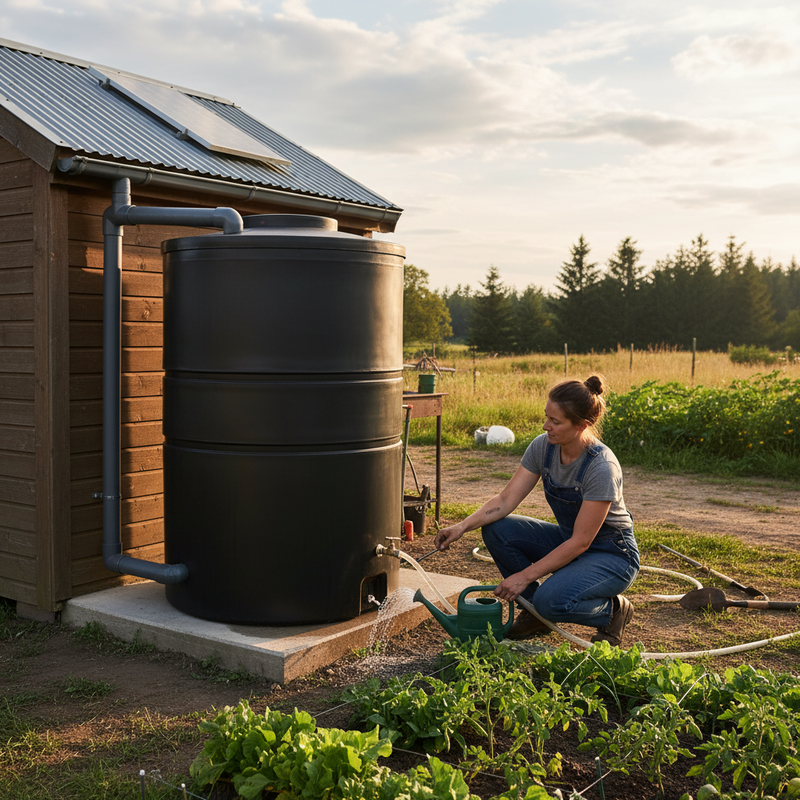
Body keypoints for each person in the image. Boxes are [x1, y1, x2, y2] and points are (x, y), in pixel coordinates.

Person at [433, 375, 639, 645]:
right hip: (570, 540)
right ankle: (535, 614)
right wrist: (461, 527)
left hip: (611, 554)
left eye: (555, 421)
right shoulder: (544, 447)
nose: (546, 426)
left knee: (551, 601)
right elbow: (505, 501)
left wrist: (524, 577)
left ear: (582, 425)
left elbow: (581, 541)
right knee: (498, 529)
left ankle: (612, 611)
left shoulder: (601, 467)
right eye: (547, 417)